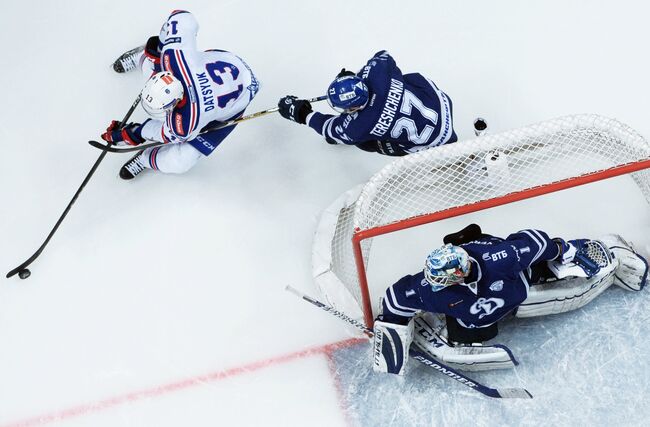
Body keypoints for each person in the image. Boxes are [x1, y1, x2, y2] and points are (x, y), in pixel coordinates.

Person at [371, 225, 648, 375]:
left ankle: (614, 261)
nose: (433, 283)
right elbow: (395, 299)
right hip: (477, 318)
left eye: (441, 280)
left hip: (521, 289)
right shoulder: (428, 287)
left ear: (458, 273)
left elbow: (536, 242)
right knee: (471, 328)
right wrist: (390, 333)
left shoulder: (500, 258)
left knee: (571, 291)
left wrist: (564, 249)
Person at [105, 10, 260, 180]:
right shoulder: (175, 59)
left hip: (236, 102)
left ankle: (145, 159)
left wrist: (130, 134)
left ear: (176, 102)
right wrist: (163, 47)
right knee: (154, 61)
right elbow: (183, 17)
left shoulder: (185, 122)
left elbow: (159, 132)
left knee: (181, 161)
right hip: (228, 63)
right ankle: (144, 56)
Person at [277, 50, 457, 157]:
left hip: (431, 142)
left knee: (363, 142)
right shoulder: (378, 72)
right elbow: (384, 55)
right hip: (442, 106)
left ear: (355, 107)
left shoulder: (358, 126)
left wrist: (301, 113)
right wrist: (358, 76)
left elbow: (330, 129)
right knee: (408, 79)